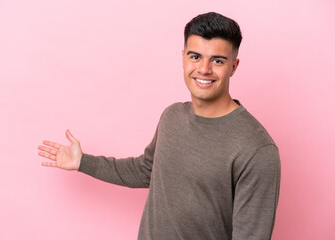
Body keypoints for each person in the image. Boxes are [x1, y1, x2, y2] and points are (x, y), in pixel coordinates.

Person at [38, 12, 281, 240]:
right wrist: (83, 162)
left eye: (217, 60)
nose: (204, 69)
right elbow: (146, 171)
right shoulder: (172, 116)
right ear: (183, 58)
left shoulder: (257, 149)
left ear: (234, 67)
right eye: (195, 56)